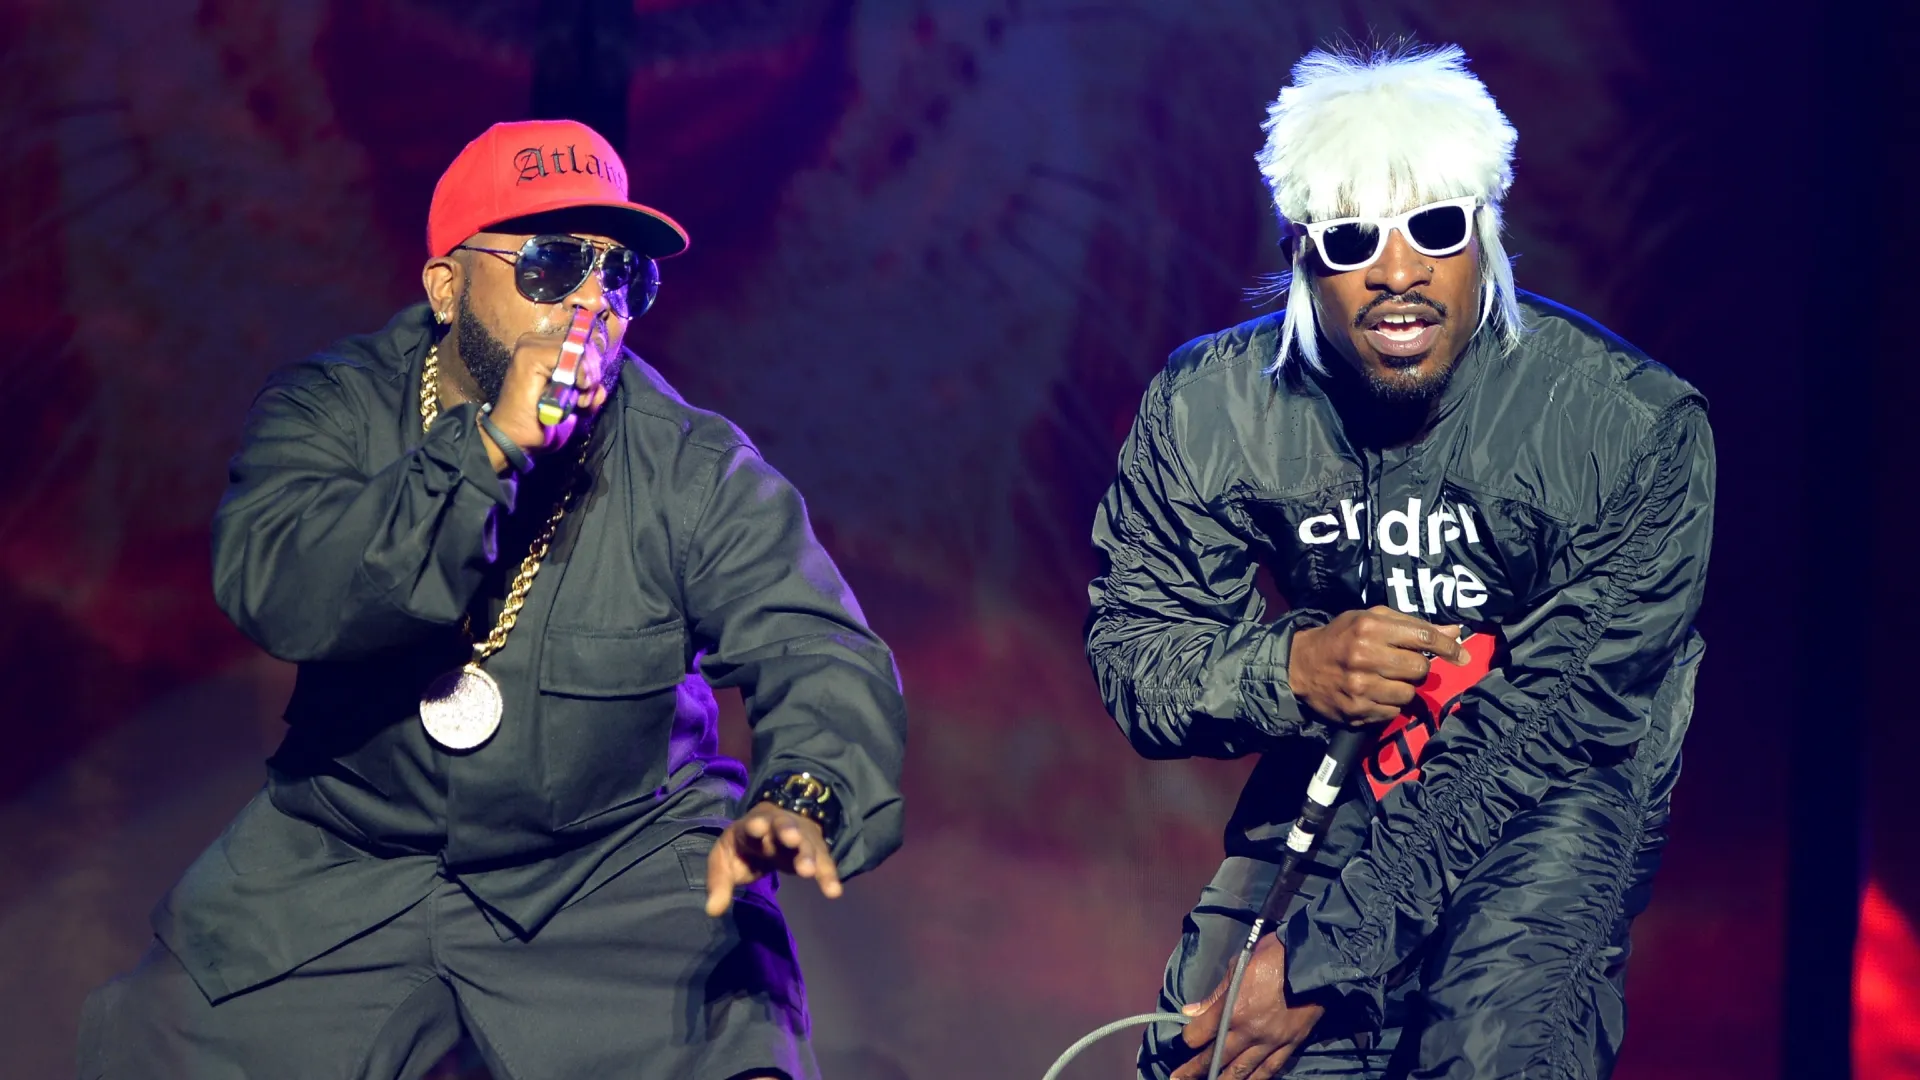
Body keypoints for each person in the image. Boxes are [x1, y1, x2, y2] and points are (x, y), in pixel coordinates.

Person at [78, 118, 907, 1080]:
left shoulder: (692, 465)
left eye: (620, 273)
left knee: (737, 1044)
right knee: (152, 1043)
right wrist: (486, 449)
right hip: (347, 854)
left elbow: (816, 648)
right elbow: (277, 584)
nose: (593, 298)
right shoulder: (329, 410)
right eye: (553, 264)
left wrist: (802, 792)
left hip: (610, 867)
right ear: (445, 287)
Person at [1085, 44, 1713, 1080]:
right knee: (1197, 1057)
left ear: (1483, 238)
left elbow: (1550, 727)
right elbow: (1137, 650)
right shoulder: (1212, 411)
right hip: (1335, 790)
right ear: (1301, 254)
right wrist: (1290, 669)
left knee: (1489, 1046)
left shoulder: (1628, 427)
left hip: (1542, 816)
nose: (1399, 270)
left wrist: (1318, 961)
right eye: (1352, 238)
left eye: (1434, 228)